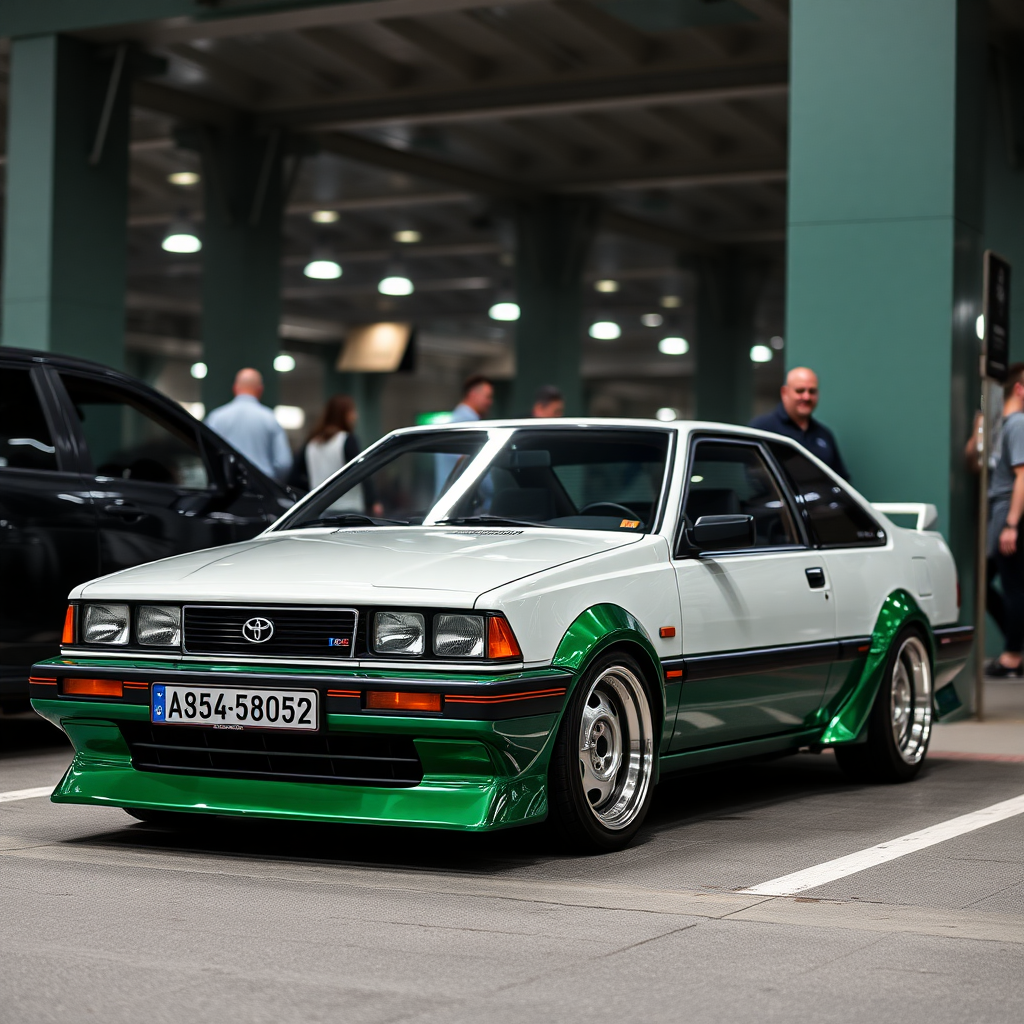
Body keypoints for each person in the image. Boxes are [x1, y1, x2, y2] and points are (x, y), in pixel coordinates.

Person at [986, 363, 1024, 677]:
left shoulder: (1019, 424)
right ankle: (1015, 649)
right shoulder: (1006, 425)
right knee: (987, 585)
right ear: (1020, 389)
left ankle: (1013, 657)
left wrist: (1011, 524)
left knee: (1013, 587)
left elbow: (1023, 476)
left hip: (1010, 518)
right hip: (1003, 517)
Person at [749, 366, 850, 480]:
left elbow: (841, 479)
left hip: (823, 498)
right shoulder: (762, 428)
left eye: (812, 391)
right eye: (800, 391)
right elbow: (756, 479)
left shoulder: (824, 434)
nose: (806, 397)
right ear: (784, 392)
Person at [204, 368, 292, 482]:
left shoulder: (216, 417)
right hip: (262, 489)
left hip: (226, 488)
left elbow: (206, 455)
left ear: (235, 388)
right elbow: (284, 463)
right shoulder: (270, 419)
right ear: (260, 390)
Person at [288, 394, 362, 493]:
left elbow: (294, 478)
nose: (355, 416)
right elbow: (360, 472)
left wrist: (312, 488)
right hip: (349, 504)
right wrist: (372, 501)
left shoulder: (311, 443)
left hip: (320, 505)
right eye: (352, 412)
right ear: (343, 414)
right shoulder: (347, 440)